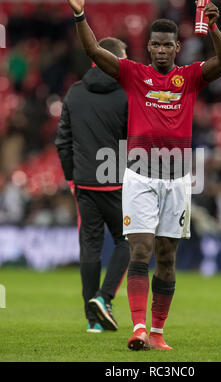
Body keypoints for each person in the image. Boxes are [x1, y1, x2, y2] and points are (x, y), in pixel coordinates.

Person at [61, 0, 221, 350]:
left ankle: (157, 331)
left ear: (176, 47)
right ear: (148, 46)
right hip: (139, 177)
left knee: (167, 258)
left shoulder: (187, 78)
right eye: (154, 44)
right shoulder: (133, 74)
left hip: (177, 180)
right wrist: (79, 13)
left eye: (167, 44)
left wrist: (214, 27)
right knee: (140, 250)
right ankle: (138, 328)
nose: (159, 50)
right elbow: (92, 47)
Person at [55, 37, 130, 333]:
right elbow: (134, 141)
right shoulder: (127, 93)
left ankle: (92, 321)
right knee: (129, 241)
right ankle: (104, 298)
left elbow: (62, 141)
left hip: (84, 183)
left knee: (90, 247)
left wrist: (72, 177)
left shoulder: (74, 93)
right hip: (117, 182)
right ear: (116, 61)